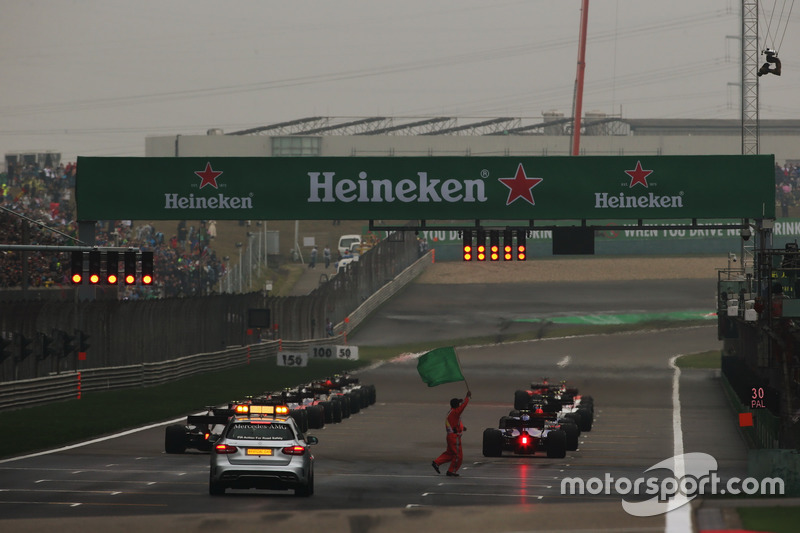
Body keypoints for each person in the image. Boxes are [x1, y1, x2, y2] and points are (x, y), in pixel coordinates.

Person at [432, 390, 472, 477]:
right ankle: (451, 471)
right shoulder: (455, 412)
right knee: (458, 456)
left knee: (450, 454)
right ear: (456, 405)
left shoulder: (451, 412)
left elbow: (455, 423)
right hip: (454, 437)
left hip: (450, 436)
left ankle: (436, 462)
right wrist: (467, 398)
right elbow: (463, 407)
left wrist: (462, 428)